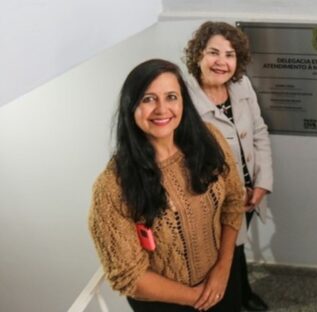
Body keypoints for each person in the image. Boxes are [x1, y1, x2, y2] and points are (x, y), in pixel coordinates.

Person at [89, 59, 246, 311]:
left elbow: (234, 201)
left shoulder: (209, 139)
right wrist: (198, 298)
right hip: (166, 304)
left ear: (183, 101)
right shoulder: (111, 187)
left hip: (221, 282)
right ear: (131, 106)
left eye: (171, 97)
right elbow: (128, 275)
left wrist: (223, 268)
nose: (162, 109)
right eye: (148, 99)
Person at [183, 21, 273, 312]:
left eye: (230, 54)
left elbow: (259, 131)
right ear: (198, 55)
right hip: (215, 201)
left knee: (237, 248)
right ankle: (234, 301)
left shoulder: (242, 84)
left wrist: (262, 183)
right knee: (223, 254)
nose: (222, 62)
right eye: (213, 53)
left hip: (248, 195)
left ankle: (243, 293)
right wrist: (232, 196)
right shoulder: (184, 100)